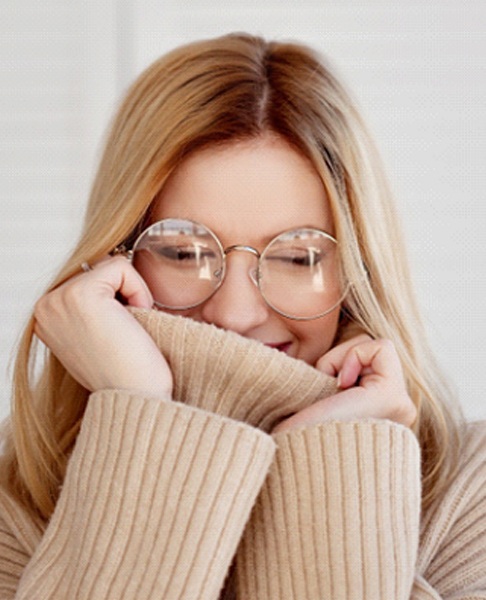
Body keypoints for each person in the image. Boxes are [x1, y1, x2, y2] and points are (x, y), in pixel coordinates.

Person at [0, 32, 484, 600]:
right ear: (116, 256)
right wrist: (142, 414)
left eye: (296, 255)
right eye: (183, 252)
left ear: (358, 271)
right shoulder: (17, 498)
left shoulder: (467, 495)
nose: (235, 314)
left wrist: (325, 462)